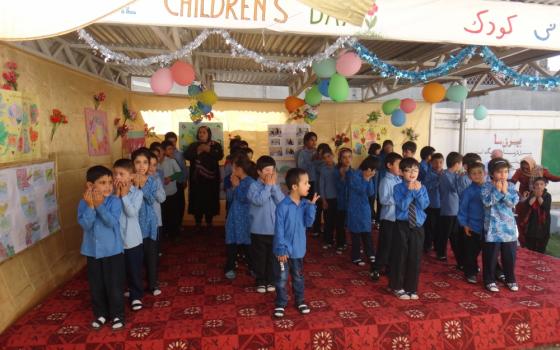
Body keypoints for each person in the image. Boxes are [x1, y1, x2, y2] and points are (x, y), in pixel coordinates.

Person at [78, 165, 125, 330]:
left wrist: (99, 206)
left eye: (110, 182)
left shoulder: (115, 201)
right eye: (103, 182)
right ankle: (101, 314)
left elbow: (111, 221)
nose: (108, 186)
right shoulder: (83, 203)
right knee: (96, 286)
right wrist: (91, 206)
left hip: (113, 252)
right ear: (90, 186)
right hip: (92, 252)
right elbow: (85, 224)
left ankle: (117, 314)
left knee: (114, 285)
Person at [272, 168, 319, 318]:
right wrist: (280, 249)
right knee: (281, 278)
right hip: (283, 251)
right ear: (294, 187)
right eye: (305, 183)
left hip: (298, 250)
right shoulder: (283, 206)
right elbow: (279, 230)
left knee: (298, 277)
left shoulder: (305, 204)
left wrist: (311, 206)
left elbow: (308, 223)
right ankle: (281, 302)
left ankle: (300, 300)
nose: (309, 185)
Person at [390, 157, 430, 300]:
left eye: (415, 170)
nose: (412, 174)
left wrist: (418, 191)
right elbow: (402, 205)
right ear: (401, 172)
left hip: (418, 226)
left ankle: (411, 288)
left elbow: (424, 205)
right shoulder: (397, 188)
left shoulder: (422, 187)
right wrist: (410, 191)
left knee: (415, 256)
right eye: (408, 171)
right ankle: (397, 287)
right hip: (402, 225)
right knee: (400, 256)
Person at [481, 158, 520, 293]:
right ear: (492, 173)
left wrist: (505, 192)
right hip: (492, 228)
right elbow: (487, 202)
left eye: (505, 171)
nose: (503, 175)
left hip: (508, 228)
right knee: (491, 256)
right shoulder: (486, 186)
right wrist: (497, 191)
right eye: (499, 172)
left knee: (509, 255)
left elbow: (513, 202)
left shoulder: (511, 186)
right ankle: (489, 280)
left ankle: (510, 279)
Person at [248, 156, 285, 293]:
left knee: (272, 257)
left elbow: (281, 202)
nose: (270, 173)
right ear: (259, 172)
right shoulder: (253, 186)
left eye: (272, 170)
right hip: (258, 229)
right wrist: (268, 187)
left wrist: (273, 187)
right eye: (266, 170)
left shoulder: (276, 186)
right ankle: (260, 280)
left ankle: (270, 279)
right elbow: (259, 201)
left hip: (274, 229)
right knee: (260, 257)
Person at [113, 158, 144, 312]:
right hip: (116, 241)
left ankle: (136, 295)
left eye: (121, 174)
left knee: (134, 269)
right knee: (119, 270)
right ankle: (124, 291)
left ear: (131, 176)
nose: (117, 177)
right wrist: (117, 196)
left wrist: (124, 196)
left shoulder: (137, 194)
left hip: (132, 240)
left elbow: (131, 213)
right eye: (115, 174)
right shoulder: (112, 194)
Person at [510, 156, 560, 246]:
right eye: (523, 166)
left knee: (536, 222)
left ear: (532, 165)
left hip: (538, 199)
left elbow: (552, 177)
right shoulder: (519, 171)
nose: (525, 169)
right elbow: (512, 181)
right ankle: (524, 244)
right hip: (524, 200)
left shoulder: (541, 171)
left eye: (527, 166)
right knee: (521, 223)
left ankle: (537, 244)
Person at [131, 148, 161, 296]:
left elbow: (150, 199)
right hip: (133, 224)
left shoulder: (152, 181)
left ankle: (153, 284)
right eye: (138, 162)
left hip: (149, 224)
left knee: (151, 256)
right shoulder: (128, 180)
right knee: (134, 258)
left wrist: (141, 186)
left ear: (149, 165)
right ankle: (134, 287)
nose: (141, 166)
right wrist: (134, 185)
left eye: (145, 162)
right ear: (132, 164)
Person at [184, 126, 224, 232]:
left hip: (211, 181)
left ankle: (209, 223)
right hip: (197, 180)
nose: (201, 134)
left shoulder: (215, 145)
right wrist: (198, 150)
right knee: (197, 201)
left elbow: (220, 156)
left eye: (204, 132)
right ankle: (197, 223)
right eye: (200, 132)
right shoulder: (193, 145)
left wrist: (208, 149)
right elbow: (187, 155)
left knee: (210, 201)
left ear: (208, 134)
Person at [370, 152, 402, 280]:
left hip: (398, 218)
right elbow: (383, 200)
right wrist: (399, 198)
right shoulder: (385, 181)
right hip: (388, 218)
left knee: (395, 245)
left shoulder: (400, 180)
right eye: (398, 165)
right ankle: (376, 269)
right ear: (389, 165)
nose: (401, 168)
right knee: (385, 245)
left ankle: (390, 267)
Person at [224, 154, 256, 280]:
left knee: (248, 244)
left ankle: (253, 267)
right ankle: (230, 266)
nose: (232, 170)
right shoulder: (235, 179)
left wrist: (237, 186)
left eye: (234, 167)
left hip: (246, 217)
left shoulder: (251, 182)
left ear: (240, 169)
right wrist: (233, 186)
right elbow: (230, 198)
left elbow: (245, 199)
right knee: (231, 243)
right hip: (233, 216)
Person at [347, 156, 378, 266]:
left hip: (364, 207)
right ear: (368, 167)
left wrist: (368, 179)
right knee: (355, 233)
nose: (374, 172)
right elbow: (360, 190)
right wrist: (365, 179)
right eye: (373, 169)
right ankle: (356, 256)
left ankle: (370, 253)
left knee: (367, 232)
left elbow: (370, 193)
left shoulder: (368, 176)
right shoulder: (354, 175)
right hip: (354, 207)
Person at [458, 162, 486, 284]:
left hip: (488, 227)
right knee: (471, 252)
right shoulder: (468, 192)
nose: (477, 175)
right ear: (469, 176)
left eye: (479, 172)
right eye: (473, 173)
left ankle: (496, 271)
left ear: (484, 173)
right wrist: (464, 224)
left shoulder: (489, 188)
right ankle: (471, 272)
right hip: (472, 227)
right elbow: (462, 209)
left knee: (490, 251)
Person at [437, 152, 463, 267]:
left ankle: (455, 252)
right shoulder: (446, 174)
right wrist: (460, 178)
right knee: (445, 232)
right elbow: (455, 189)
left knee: (454, 233)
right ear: (457, 164)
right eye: (461, 163)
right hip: (448, 208)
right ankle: (441, 252)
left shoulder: (454, 174)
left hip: (455, 207)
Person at [147, 152, 166, 293]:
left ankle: (153, 283)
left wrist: (150, 186)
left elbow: (161, 198)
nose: (152, 168)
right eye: (149, 164)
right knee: (137, 256)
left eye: (154, 165)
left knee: (152, 254)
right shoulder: (133, 180)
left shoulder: (156, 179)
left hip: (155, 222)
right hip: (138, 224)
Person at [296, 132, 320, 236]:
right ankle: (305, 225)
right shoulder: (302, 153)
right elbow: (300, 167)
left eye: (315, 140)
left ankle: (316, 227)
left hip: (317, 181)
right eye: (311, 140)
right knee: (306, 203)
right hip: (306, 182)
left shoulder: (317, 152)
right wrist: (312, 160)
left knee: (316, 204)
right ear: (306, 141)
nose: (314, 142)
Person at [164, 132, 188, 233]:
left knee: (180, 205)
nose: (172, 145)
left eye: (174, 142)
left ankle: (178, 224)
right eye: (170, 142)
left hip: (178, 182)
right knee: (168, 206)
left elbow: (183, 169)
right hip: (166, 184)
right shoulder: (162, 156)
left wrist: (184, 180)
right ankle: (168, 226)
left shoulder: (179, 154)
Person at [160, 140, 183, 239]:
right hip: (161, 194)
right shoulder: (157, 162)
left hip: (172, 192)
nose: (172, 151)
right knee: (163, 214)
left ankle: (173, 233)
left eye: (172, 149)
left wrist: (170, 178)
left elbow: (179, 173)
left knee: (173, 214)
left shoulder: (172, 161)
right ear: (163, 150)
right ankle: (164, 232)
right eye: (169, 149)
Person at [524, 177, 552, 253]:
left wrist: (539, 196)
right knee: (530, 248)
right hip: (532, 224)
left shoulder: (547, 195)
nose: (539, 186)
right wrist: (535, 196)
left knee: (541, 249)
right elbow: (528, 205)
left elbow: (545, 207)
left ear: (545, 185)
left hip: (543, 224)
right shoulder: (531, 194)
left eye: (541, 184)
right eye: (537, 184)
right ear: (534, 186)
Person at [423, 153, 444, 253]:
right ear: (431, 163)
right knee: (429, 227)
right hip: (431, 205)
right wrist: (438, 179)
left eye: (440, 162)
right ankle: (427, 245)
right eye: (435, 162)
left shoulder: (445, 173)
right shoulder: (429, 173)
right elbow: (426, 187)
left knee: (439, 228)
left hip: (442, 205)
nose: (438, 164)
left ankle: (437, 246)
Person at [334, 148, 352, 254]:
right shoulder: (336, 172)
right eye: (344, 157)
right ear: (340, 159)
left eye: (349, 157)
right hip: (340, 202)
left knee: (351, 224)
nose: (347, 159)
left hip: (351, 202)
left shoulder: (354, 172)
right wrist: (342, 176)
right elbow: (337, 187)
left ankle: (353, 243)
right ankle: (340, 243)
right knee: (340, 224)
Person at [319, 149, 338, 249]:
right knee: (328, 221)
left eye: (328, 156)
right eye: (324, 158)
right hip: (328, 199)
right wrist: (324, 200)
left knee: (337, 221)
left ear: (333, 156)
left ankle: (339, 241)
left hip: (338, 199)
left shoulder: (338, 168)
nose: (327, 159)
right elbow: (321, 186)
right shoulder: (323, 170)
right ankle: (328, 240)